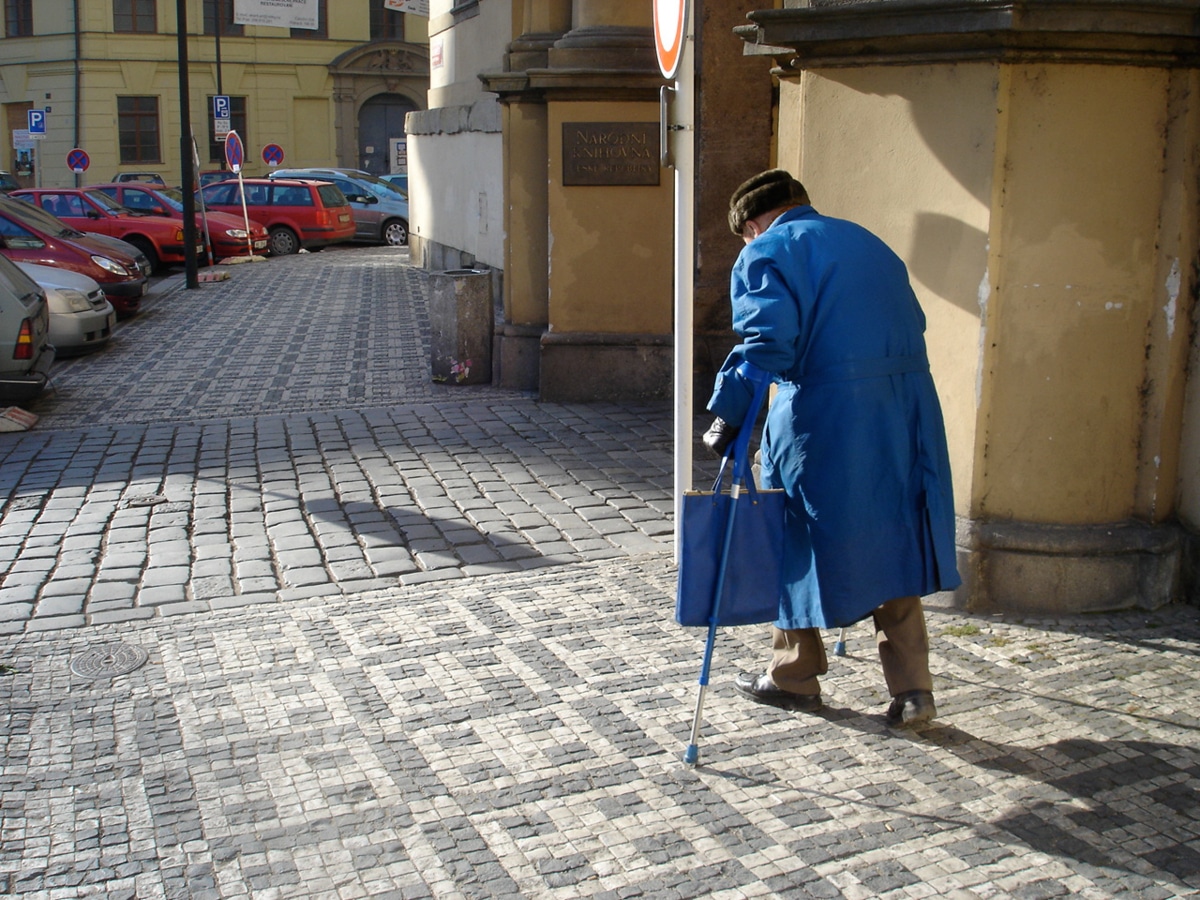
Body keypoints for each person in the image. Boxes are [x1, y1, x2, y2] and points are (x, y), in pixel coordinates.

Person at [703, 169, 961, 728]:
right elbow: (911, 320)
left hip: (823, 414)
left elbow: (768, 343)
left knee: (791, 531)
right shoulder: (870, 242)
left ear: (751, 225)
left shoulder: (765, 252)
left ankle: (794, 674)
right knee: (892, 533)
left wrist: (728, 413)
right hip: (903, 411)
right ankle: (915, 691)